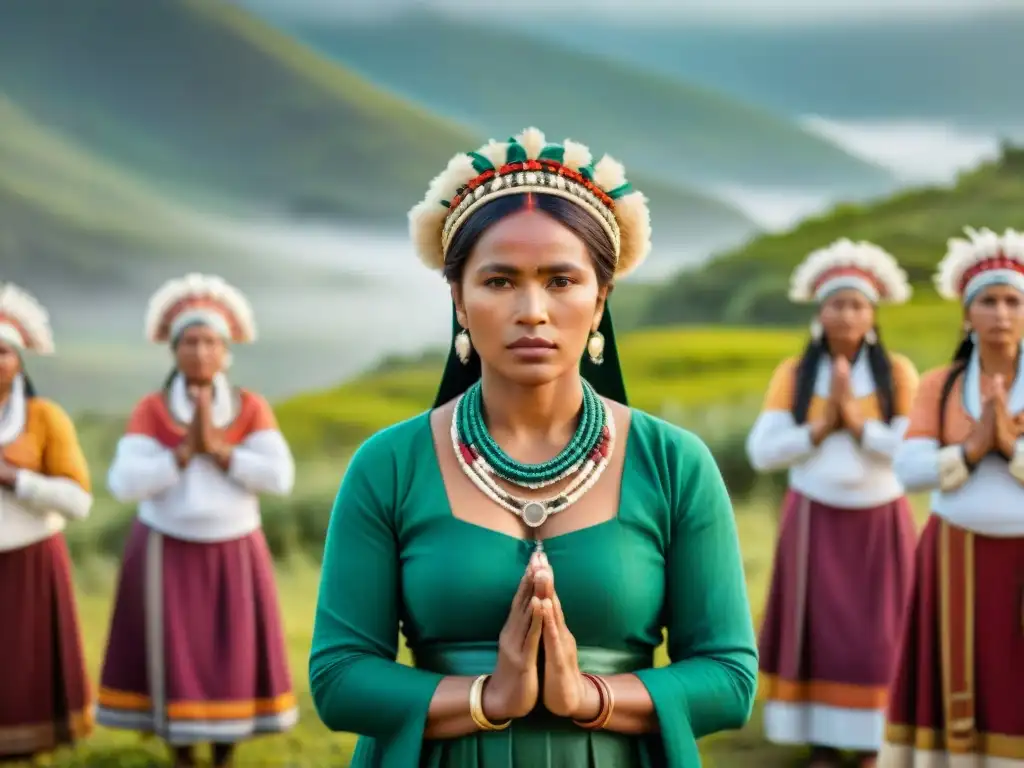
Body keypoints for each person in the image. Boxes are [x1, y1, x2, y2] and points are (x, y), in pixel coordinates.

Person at [308, 127, 758, 767]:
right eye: (498, 282)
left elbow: (729, 677)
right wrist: (486, 698)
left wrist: (586, 696)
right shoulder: (389, 466)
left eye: (561, 280)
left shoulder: (674, 465)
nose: (532, 310)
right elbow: (339, 676)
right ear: (458, 301)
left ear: (600, 300)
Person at [95, 274, 298, 768]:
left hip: (235, 547)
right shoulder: (152, 409)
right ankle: (182, 754)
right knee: (171, 656)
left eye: (210, 341)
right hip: (165, 547)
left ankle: (225, 752)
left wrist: (223, 453)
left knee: (231, 656)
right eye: (190, 341)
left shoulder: (250, 407)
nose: (201, 351)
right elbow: (123, 482)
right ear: (175, 350)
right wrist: (183, 455)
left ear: (226, 352)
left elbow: (280, 477)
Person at [746, 240, 920, 768]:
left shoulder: (898, 374)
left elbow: (911, 451)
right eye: (837, 304)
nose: (846, 314)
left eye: (857, 305)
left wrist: (858, 423)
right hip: (814, 519)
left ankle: (873, 741)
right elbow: (762, 452)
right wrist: (822, 426)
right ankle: (820, 742)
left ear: (872, 315)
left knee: (879, 634)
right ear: (819, 312)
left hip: (880, 521)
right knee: (816, 632)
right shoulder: (794, 375)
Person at [880, 227, 1024, 768]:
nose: (1002, 314)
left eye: (1013, 301)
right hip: (954, 556)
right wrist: (971, 448)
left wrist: (1005, 444)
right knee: (965, 674)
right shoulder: (940, 385)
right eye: (988, 301)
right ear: (967, 314)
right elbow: (909, 470)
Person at [0, 282, 93, 762]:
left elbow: (79, 501)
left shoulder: (46, 419)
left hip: (31, 560)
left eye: (1, 352)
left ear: (20, 361)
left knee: (22, 669)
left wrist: (16, 478)